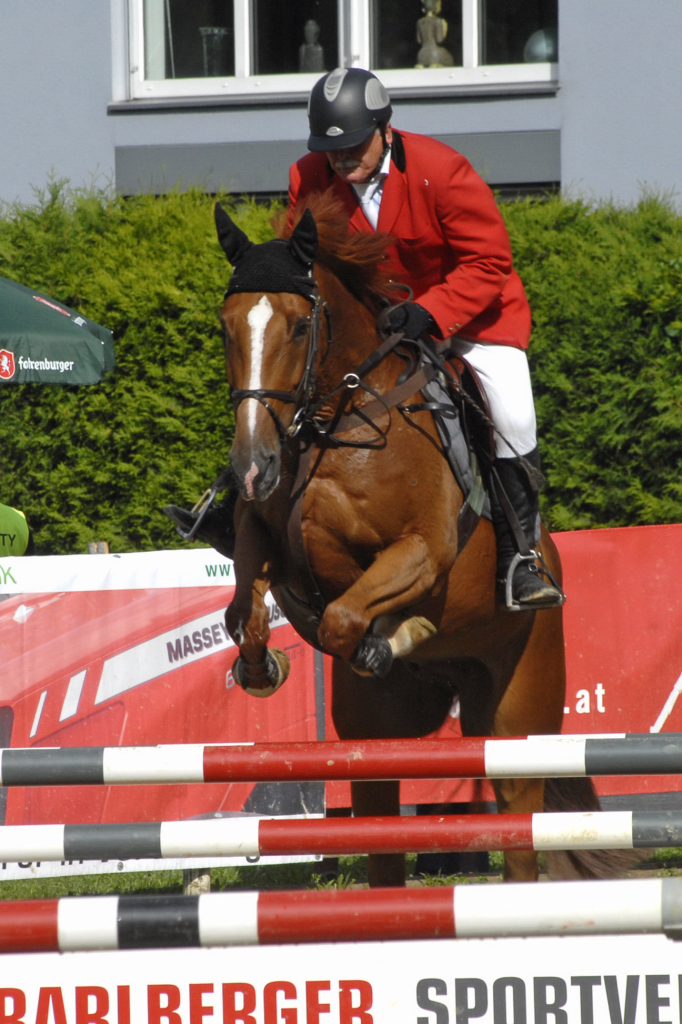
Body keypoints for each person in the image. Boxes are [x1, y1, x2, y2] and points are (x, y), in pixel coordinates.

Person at [167, 66, 562, 609]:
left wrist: (430, 311)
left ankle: (522, 558)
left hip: (473, 320)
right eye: (331, 150)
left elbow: (489, 262)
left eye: (353, 146)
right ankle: (242, 508)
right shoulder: (308, 174)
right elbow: (304, 263)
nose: (341, 159)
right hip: (380, 327)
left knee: (512, 417)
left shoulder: (441, 171)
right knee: (287, 387)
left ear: (385, 129)